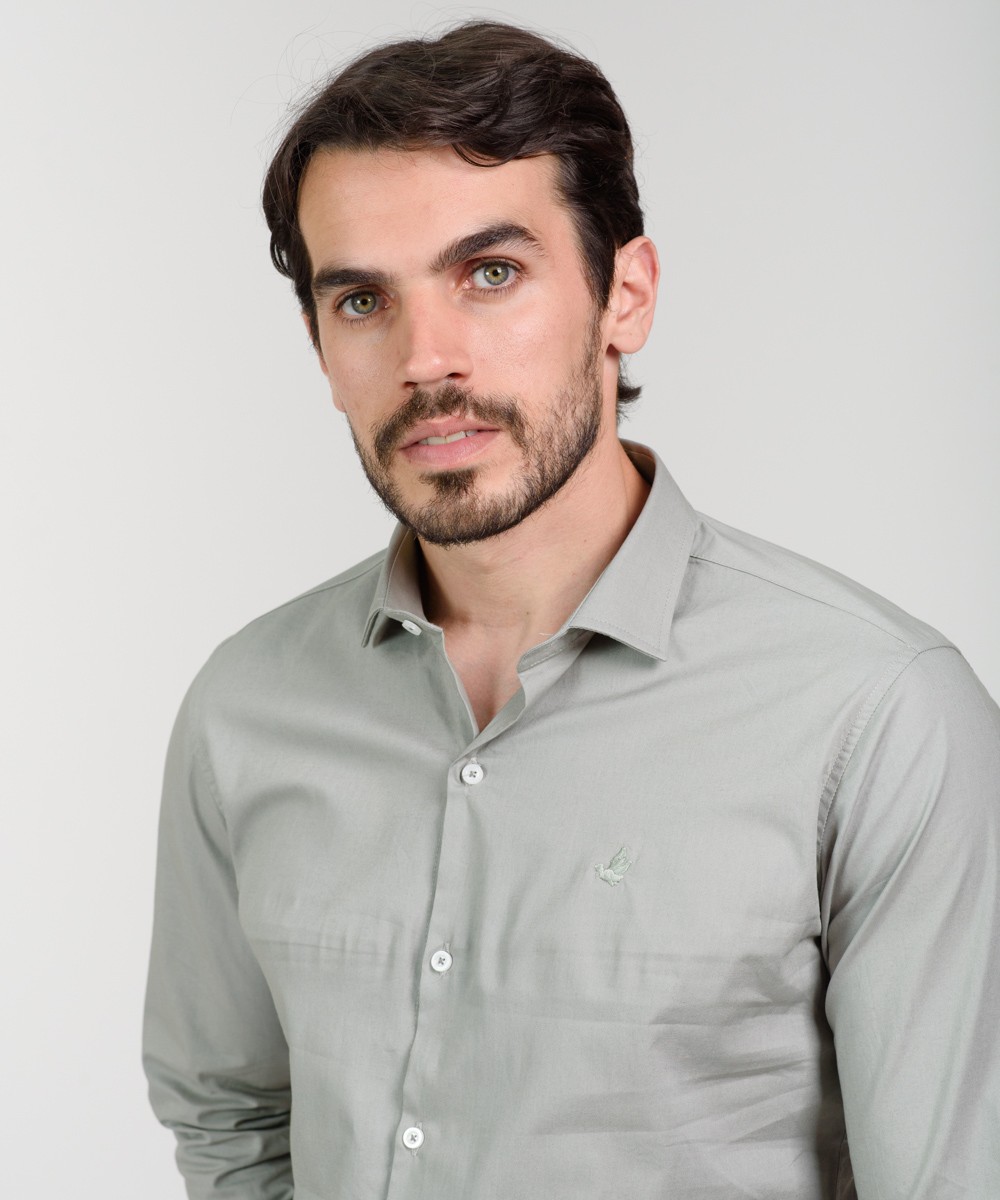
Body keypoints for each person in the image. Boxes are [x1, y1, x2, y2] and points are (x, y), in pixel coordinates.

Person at [143, 20, 1000, 1200]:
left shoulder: (878, 716)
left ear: (623, 295)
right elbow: (232, 1117)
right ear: (320, 347)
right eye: (362, 299)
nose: (426, 358)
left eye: (489, 273)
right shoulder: (247, 705)